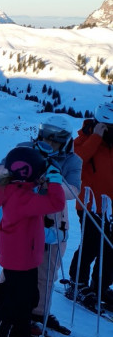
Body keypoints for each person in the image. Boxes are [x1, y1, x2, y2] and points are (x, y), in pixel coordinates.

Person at [0, 115, 81, 332]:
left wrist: (52, 182)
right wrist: (24, 175)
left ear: (65, 141)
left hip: (53, 216)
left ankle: (37, 313)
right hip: (25, 212)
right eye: (46, 137)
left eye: (55, 140)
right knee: (15, 269)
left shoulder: (72, 160)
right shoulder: (24, 149)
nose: (49, 143)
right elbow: (1, 170)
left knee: (47, 270)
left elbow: (73, 191)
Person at [0, 146, 65, 337]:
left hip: (25, 256)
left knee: (28, 297)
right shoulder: (20, 196)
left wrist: (43, 177)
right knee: (15, 300)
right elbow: (56, 203)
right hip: (18, 257)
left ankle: (21, 335)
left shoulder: (19, 188)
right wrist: (54, 179)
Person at [67, 100, 113, 309]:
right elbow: (77, 161)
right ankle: (77, 284)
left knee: (110, 248)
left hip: (110, 207)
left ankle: (100, 286)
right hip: (89, 204)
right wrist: (96, 137)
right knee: (91, 245)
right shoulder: (83, 141)